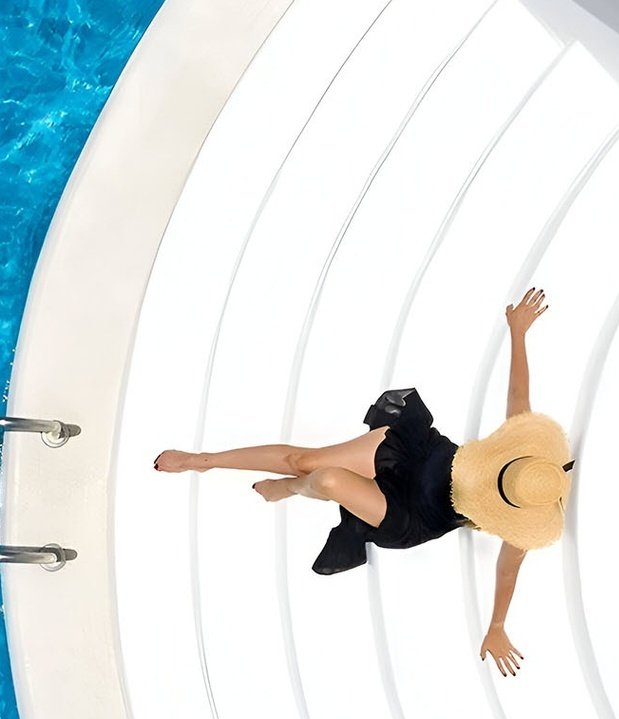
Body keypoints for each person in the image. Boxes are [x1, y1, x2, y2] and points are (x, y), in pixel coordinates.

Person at [153, 288, 571, 676]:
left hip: (417, 513)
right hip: (424, 454)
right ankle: (203, 460)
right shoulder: (523, 456)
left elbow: (506, 573)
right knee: (305, 459)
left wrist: (497, 625)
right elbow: (519, 394)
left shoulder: (521, 523)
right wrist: (517, 332)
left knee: (329, 481)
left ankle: (290, 489)